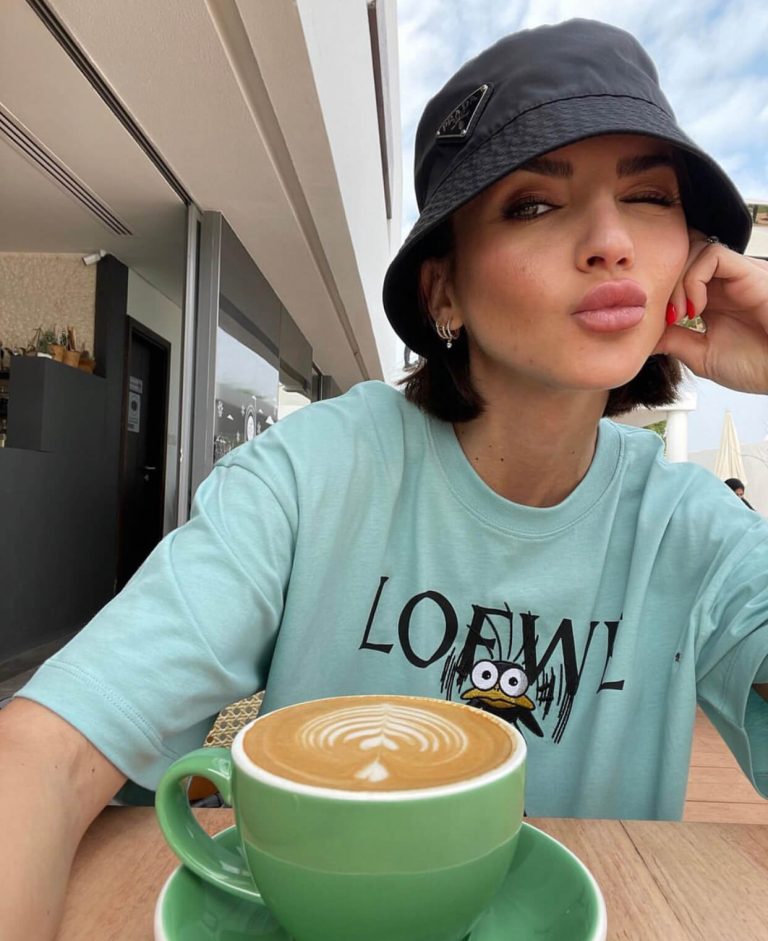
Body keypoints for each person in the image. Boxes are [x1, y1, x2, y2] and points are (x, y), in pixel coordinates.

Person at [2, 17, 768, 940]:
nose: (610, 241)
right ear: (443, 291)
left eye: (648, 196)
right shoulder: (316, 473)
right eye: (534, 204)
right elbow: (47, 750)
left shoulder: (692, 528)